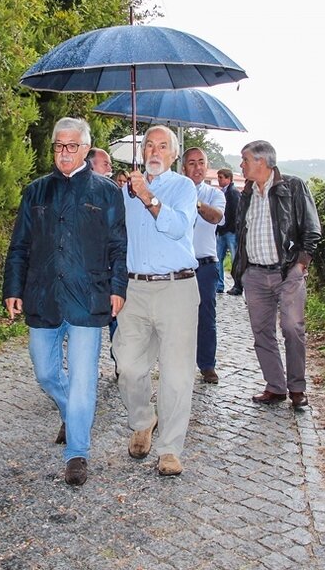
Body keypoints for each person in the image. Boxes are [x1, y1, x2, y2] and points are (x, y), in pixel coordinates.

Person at [3, 117, 128, 486]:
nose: (65, 152)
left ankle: (77, 453)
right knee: (45, 372)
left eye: (72, 145)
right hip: (43, 296)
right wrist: (13, 288)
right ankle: (72, 413)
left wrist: (118, 287)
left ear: (86, 148)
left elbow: (118, 247)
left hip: (88, 298)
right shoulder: (36, 191)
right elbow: (19, 245)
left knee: (83, 379)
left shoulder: (106, 192)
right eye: (59, 145)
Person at [113, 125, 199, 477]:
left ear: (174, 155)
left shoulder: (184, 187)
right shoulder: (127, 190)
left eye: (163, 146)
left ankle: (170, 449)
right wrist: (127, 189)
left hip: (177, 288)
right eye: (149, 145)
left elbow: (177, 227)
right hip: (135, 288)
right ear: (141, 151)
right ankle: (143, 420)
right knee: (128, 366)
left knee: (177, 375)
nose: (155, 151)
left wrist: (148, 196)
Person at [231, 140, 322, 411]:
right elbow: (241, 231)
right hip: (255, 274)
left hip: (287, 272)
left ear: (261, 161)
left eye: (245, 159)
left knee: (293, 328)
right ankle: (275, 386)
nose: (241, 165)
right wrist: (243, 271)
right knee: (262, 332)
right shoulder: (247, 193)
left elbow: (312, 229)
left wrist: (301, 264)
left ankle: (297, 388)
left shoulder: (292, 187)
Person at [182, 148, 226, 384]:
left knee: (206, 316)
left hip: (205, 265)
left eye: (201, 162)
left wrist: (195, 201)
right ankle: (178, 363)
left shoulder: (214, 194)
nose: (197, 167)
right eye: (192, 163)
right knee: (177, 316)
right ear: (183, 168)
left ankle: (207, 364)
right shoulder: (175, 191)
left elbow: (216, 217)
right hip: (179, 265)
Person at [216, 168, 242, 295]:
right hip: (222, 231)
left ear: (228, 178)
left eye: (221, 177)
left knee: (234, 259)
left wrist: (233, 228)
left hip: (230, 232)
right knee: (218, 258)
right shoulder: (222, 193)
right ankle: (219, 284)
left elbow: (236, 213)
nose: (219, 180)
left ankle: (237, 285)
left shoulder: (233, 193)